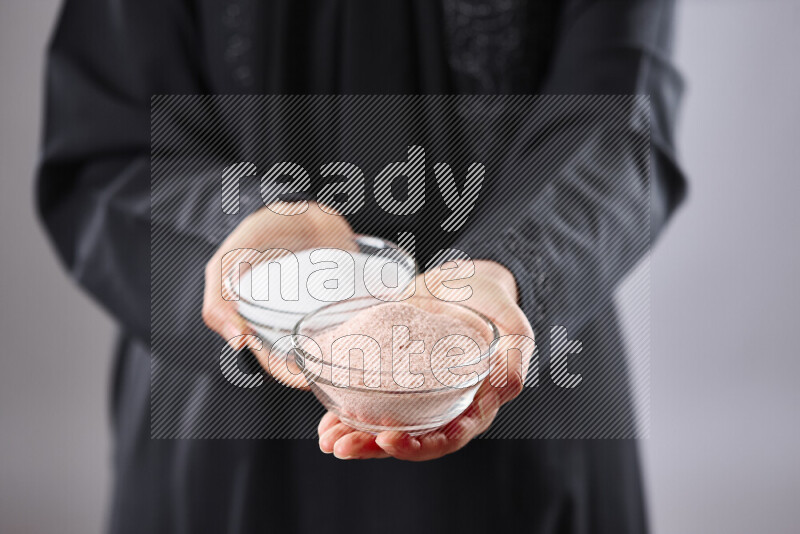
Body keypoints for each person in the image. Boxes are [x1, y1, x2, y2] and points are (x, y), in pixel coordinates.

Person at [37, 0, 685, 532]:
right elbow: (108, 134)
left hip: (512, 373)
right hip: (224, 440)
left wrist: (512, 267)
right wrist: (243, 239)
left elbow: (619, 114)